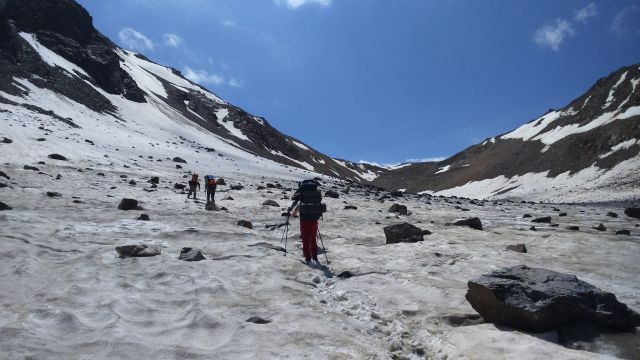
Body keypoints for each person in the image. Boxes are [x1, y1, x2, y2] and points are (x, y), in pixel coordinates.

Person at [288, 179, 325, 264]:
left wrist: (289, 212)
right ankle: (315, 257)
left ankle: (308, 259)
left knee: (305, 240)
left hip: (304, 222)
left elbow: (294, 214)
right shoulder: (316, 199)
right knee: (313, 239)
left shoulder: (301, 201)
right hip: (314, 221)